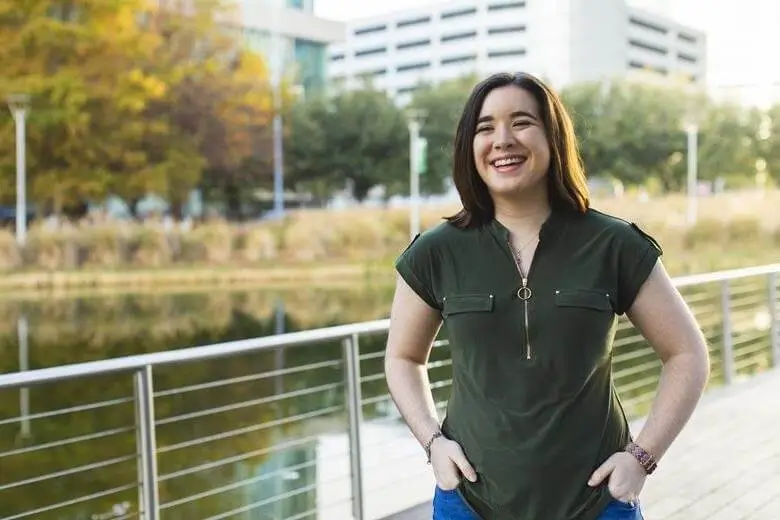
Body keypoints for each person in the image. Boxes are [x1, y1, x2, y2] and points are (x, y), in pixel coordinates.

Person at [384, 72, 710, 520]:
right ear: (469, 146)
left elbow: (688, 354)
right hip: (471, 505)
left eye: (521, 122)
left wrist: (642, 458)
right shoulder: (435, 252)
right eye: (485, 128)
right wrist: (433, 444)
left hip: (596, 505)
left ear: (553, 137)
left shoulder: (614, 245)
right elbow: (402, 358)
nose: (502, 140)